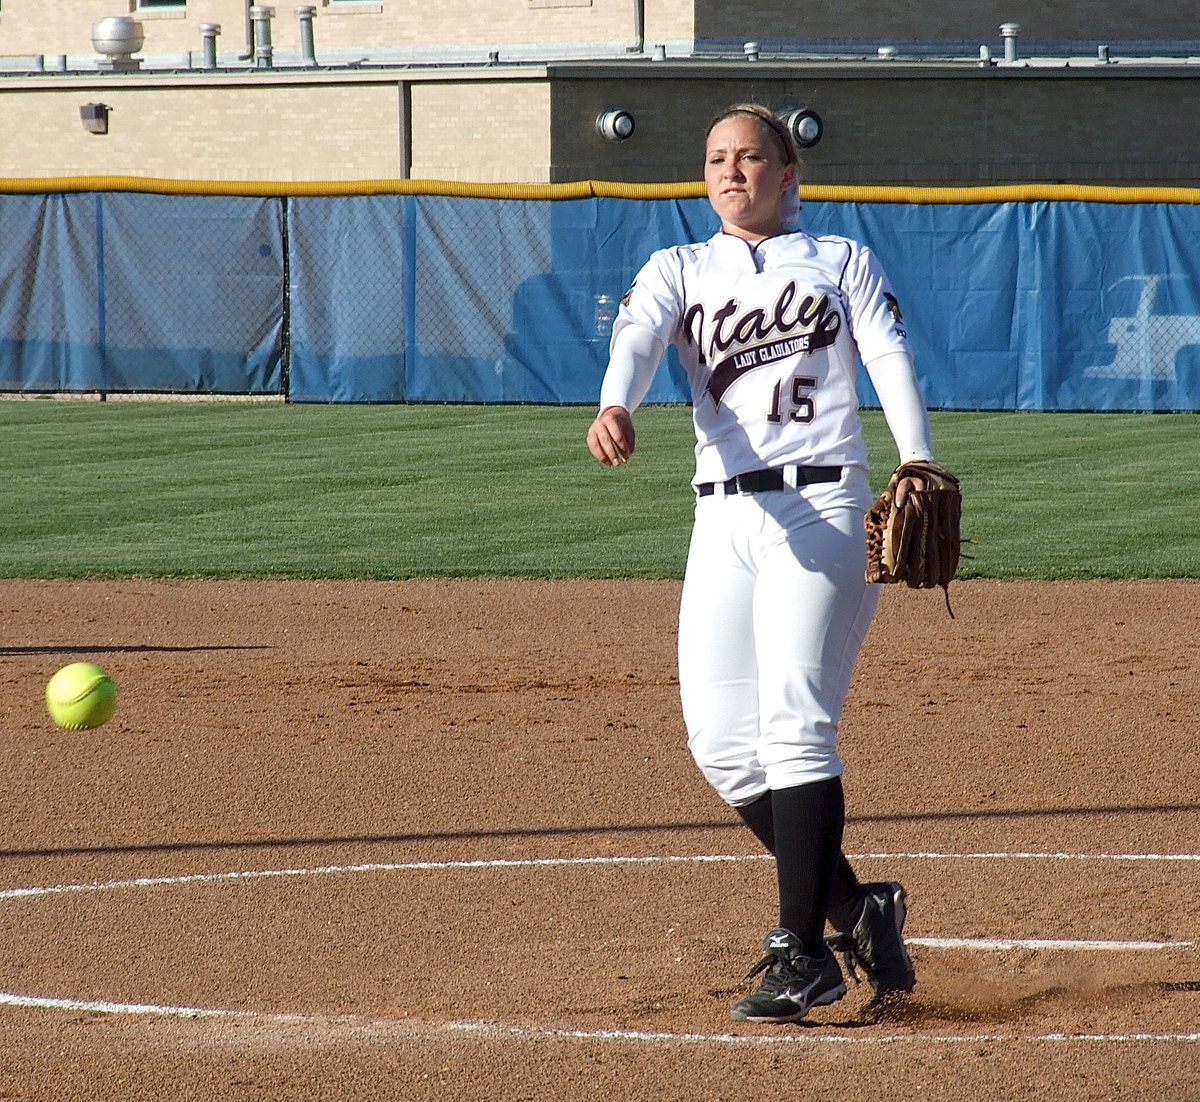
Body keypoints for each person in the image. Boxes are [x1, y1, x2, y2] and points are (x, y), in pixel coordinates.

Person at [586, 103, 947, 1024]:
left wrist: (915, 457)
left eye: (751, 158)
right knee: (721, 744)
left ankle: (807, 955)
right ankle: (856, 909)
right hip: (723, 516)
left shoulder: (839, 260)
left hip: (823, 501)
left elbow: (888, 352)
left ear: (790, 175)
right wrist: (616, 402)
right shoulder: (679, 267)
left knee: (795, 722)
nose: (732, 172)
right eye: (716, 159)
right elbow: (635, 336)